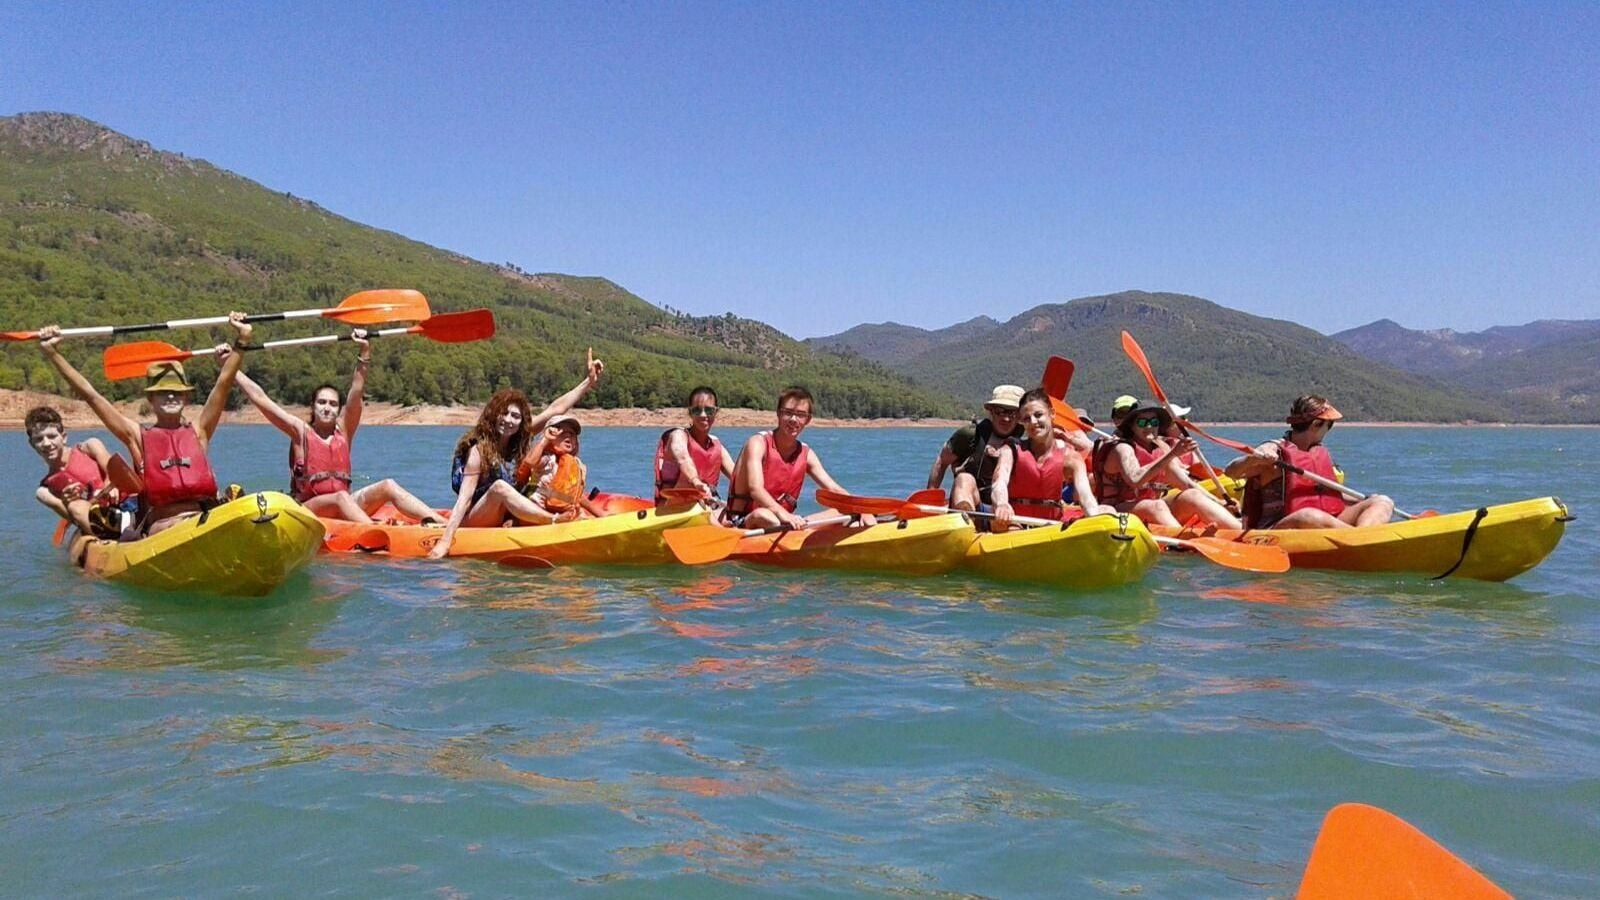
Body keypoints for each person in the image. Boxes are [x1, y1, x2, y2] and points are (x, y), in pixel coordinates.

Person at [37, 314, 250, 535]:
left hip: (203, 518)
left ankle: (229, 508)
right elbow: (91, 396)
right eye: (163, 393)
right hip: (163, 528)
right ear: (151, 399)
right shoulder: (137, 436)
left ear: (186, 398)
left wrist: (242, 340)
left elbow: (224, 382)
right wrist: (53, 354)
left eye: (176, 392)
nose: (170, 397)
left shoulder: (200, 431)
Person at [233, 330, 439, 524]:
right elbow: (260, 398)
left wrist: (364, 351)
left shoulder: (344, 430)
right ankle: (375, 532)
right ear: (312, 406)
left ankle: (442, 524)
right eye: (321, 402)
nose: (326, 408)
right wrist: (231, 367)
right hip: (309, 508)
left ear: (339, 409)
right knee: (340, 497)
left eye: (332, 404)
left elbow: (356, 391)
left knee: (388, 485)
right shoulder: (300, 431)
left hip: (344, 503)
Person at [428, 350, 604, 558]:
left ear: (521, 422)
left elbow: (555, 409)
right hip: (476, 518)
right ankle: (552, 521)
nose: (508, 420)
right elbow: (464, 500)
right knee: (499, 488)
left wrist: (588, 382)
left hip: (506, 515)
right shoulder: (478, 451)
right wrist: (445, 542)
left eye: (515, 416)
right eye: (503, 413)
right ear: (493, 415)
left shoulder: (519, 441)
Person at [1225, 395, 1393, 529]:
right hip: (1281, 526)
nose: (1329, 430)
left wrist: (1363, 500)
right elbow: (1231, 472)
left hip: (1326, 521)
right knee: (1308, 516)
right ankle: (1356, 539)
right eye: (1329, 424)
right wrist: (1253, 458)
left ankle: (1362, 538)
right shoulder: (1273, 450)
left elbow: (1327, 494)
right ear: (1316, 424)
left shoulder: (1317, 452)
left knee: (1382, 501)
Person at [720, 386, 867, 530]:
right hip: (746, 520)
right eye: (788, 413)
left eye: (801, 415)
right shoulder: (758, 443)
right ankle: (791, 528)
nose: (793, 419)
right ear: (778, 414)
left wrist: (860, 509)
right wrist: (783, 514)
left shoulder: (806, 453)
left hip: (786, 522)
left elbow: (833, 488)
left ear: (808, 419)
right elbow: (756, 489)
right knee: (764, 515)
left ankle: (801, 529)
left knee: (845, 511)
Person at [1092, 401, 1241, 529]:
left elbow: (1186, 484)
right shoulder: (1123, 448)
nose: (1149, 427)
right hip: (1120, 509)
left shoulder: (1159, 449)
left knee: (1192, 495)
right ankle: (1182, 542)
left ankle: (1240, 532)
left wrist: (1220, 502)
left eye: (1154, 422)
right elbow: (1135, 479)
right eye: (1142, 422)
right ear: (1131, 426)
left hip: (1152, 509)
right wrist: (1172, 454)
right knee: (1156, 506)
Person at [991, 389, 1113, 531]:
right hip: (1016, 521)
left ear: (1052, 414)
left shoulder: (1071, 457)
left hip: (1052, 525)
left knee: (1107, 510)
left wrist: (1094, 517)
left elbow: (1085, 497)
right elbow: (999, 483)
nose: (1033, 422)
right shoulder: (1010, 450)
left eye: (1038, 415)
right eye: (1026, 419)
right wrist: (1002, 504)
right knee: (1007, 526)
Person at [926, 385, 1026, 513]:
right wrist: (930, 501)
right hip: (973, 504)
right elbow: (942, 461)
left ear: (1020, 416)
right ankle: (966, 518)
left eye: (1012, 413)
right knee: (964, 479)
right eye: (1000, 411)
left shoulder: (1028, 443)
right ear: (991, 411)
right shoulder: (971, 435)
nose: (1006, 418)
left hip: (1006, 512)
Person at [25, 406, 116, 536]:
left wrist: (109, 486)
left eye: (51, 436)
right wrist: (67, 502)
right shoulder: (46, 490)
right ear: (32, 444)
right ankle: (107, 537)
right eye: (39, 439)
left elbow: (114, 471)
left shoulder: (90, 447)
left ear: (64, 437)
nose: (46, 443)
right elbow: (74, 518)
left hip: (122, 501)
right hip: (98, 519)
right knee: (73, 506)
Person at [653, 386, 735, 508]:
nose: (703, 415)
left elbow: (737, 476)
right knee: (688, 482)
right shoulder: (678, 436)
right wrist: (696, 481)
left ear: (716, 412)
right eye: (697, 410)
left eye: (709, 410)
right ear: (690, 413)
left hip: (704, 506)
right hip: (671, 507)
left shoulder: (716, 445)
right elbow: (683, 459)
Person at [515, 415, 606, 522]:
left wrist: (601, 514)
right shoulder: (547, 459)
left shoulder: (574, 464)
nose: (568, 436)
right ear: (551, 435)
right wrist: (545, 440)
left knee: (581, 514)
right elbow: (530, 462)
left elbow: (577, 497)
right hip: (538, 511)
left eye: (572, 434)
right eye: (562, 432)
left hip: (561, 512)